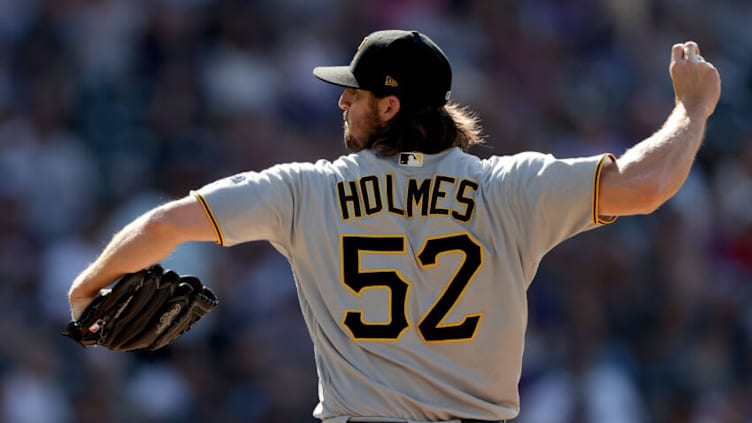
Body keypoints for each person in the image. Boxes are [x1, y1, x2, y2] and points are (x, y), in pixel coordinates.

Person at [68, 30, 721, 422]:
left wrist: (91, 284)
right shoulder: (511, 187)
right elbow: (648, 184)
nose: (342, 101)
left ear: (390, 104)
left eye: (354, 92)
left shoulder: (307, 188)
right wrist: (691, 110)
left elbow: (166, 223)